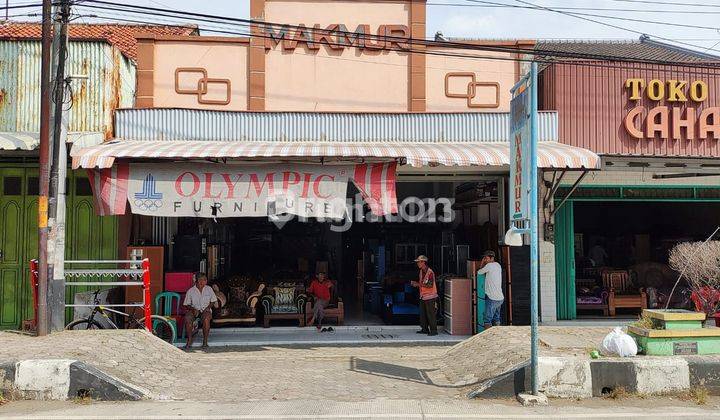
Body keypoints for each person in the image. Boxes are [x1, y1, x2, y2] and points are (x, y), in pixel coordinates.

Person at [183, 273, 218, 349]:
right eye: (200, 280)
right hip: (194, 310)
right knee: (187, 318)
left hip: (205, 310)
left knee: (206, 319)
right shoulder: (191, 291)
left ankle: (205, 341)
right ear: (196, 281)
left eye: (205, 280)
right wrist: (193, 309)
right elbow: (186, 304)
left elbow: (213, 301)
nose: (203, 282)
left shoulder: (209, 289)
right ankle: (189, 340)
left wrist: (208, 308)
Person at [411, 255, 438, 336]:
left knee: (431, 314)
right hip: (423, 296)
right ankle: (424, 329)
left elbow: (429, 285)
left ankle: (433, 330)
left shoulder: (430, 272)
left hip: (430, 296)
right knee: (423, 314)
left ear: (423, 262)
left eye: (419, 262)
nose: (417, 264)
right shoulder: (421, 271)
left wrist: (417, 284)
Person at [478, 250, 503, 330]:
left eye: (486, 258)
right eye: (484, 258)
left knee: (487, 319)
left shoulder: (489, 266)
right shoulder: (498, 265)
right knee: (497, 318)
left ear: (491, 258)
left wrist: (482, 262)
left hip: (492, 298)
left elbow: (479, 272)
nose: (485, 260)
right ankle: (497, 336)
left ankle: (487, 338)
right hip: (500, 298)